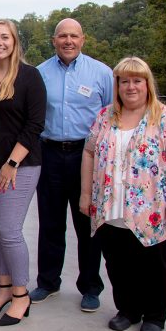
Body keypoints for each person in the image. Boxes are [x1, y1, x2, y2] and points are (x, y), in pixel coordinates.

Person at [80, 57, 166, 331]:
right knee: (118, 263)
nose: (131, 87)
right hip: (111, 207)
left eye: (137, 80)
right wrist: (85, 194)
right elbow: (89, 152)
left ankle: (155, 316)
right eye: (124, 81)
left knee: (156, 266)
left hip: (152, 211)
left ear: (147, 84)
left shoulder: (163, 116)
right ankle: (128, 310)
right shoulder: (106, 116)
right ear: (117, 85)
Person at [33, 18, 112, 312]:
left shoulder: (102, 74)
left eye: (74, 36)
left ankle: (90, 286)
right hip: (50, 152)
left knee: (88, 225)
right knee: (50, 222)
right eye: (62, 36)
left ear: (83, 39)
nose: (68, 41)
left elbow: (113, 117)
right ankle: (48, 282)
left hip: (87, 156)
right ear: (54, 40)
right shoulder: (40, 73)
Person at [0, 19, 46, 326]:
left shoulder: (30, 77)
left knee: (9, 230)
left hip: (18, 162)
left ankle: (21, 295)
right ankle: (4, 287)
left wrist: (12, 163)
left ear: (15, 42)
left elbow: (35, 125)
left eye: (5, 37)